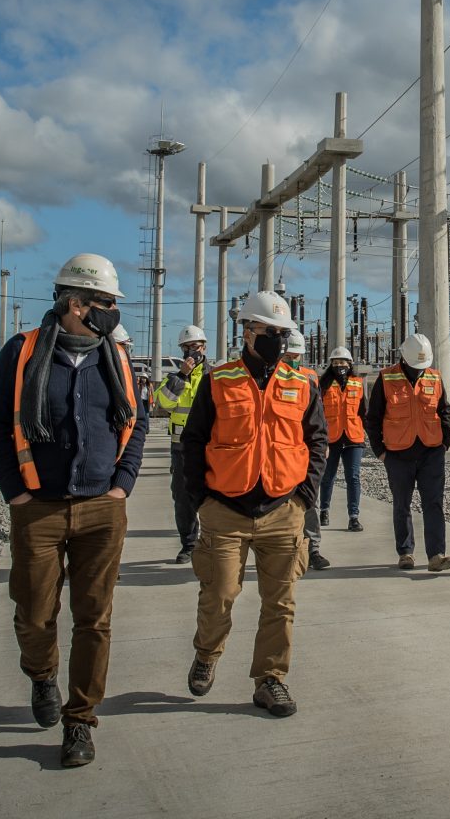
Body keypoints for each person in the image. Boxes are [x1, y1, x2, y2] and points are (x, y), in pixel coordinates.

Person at [0, 253, 145, 768]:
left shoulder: (114, 357)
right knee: (34, 614)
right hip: (40, 508)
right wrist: (17, 493)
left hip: (102, 507)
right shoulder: (23, 352)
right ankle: (42, 675)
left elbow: (137, 422)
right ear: (75, 304)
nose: (112, 313)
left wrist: (122, 485)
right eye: (105, 303)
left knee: (94, 618)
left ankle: (80, 720)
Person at [179, 291, 327, 718]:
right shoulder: (219, 379)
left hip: (283, 510)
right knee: (220, 593)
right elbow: (194, 441)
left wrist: (304, 497)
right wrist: (202, 500)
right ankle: (207, 653)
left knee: (280, 603)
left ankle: (271, 679)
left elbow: (317, 441)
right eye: (269, 332)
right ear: (247, 332)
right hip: (225, 509)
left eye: (282, 334)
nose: (277, 341)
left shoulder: (301, 384)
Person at [366, 333, 450, 572]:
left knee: (433, 503)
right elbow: (372, 418)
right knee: (402, 504)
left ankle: (436, 554)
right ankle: (405, 552)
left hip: (431, 452)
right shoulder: (386, 378)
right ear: (404, 359)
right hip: (397, 454)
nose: (420, 370)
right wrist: (380, 451)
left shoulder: (434, 377)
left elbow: (444, 411)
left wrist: (445, 442)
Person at [153, 324, 208, 564]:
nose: (189, 352)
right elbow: (164, 404)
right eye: (185, 348)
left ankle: (212, 541)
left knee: (212, 496)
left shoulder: (214, 376)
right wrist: (182, 375)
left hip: (209, 446)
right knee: (182, 497)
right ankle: (189, 543)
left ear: (203, 347)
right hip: (181, 447)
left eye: (193, 347)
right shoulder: (173, 379)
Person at [283, 329, 331, 571]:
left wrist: (323, 444)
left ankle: (313, 549)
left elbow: (319, 414)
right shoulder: (273, 377)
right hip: (281, 449)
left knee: (310, 498)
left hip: (305, 448)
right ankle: (285, 550)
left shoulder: (310, 377)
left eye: (296, 355)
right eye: (289, 354)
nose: (293, 359)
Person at [319, 346, 366, 533]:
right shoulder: (324, 385)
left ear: (349, 364)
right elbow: (318, 413)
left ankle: (354, 517)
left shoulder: (358, 383)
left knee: (353, 477)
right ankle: (324, 510)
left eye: (343, 362)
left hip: (354, 437)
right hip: (331, 437)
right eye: (336, 363)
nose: (339, 366)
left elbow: (364, 411)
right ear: (331, 364)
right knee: (328, 476)